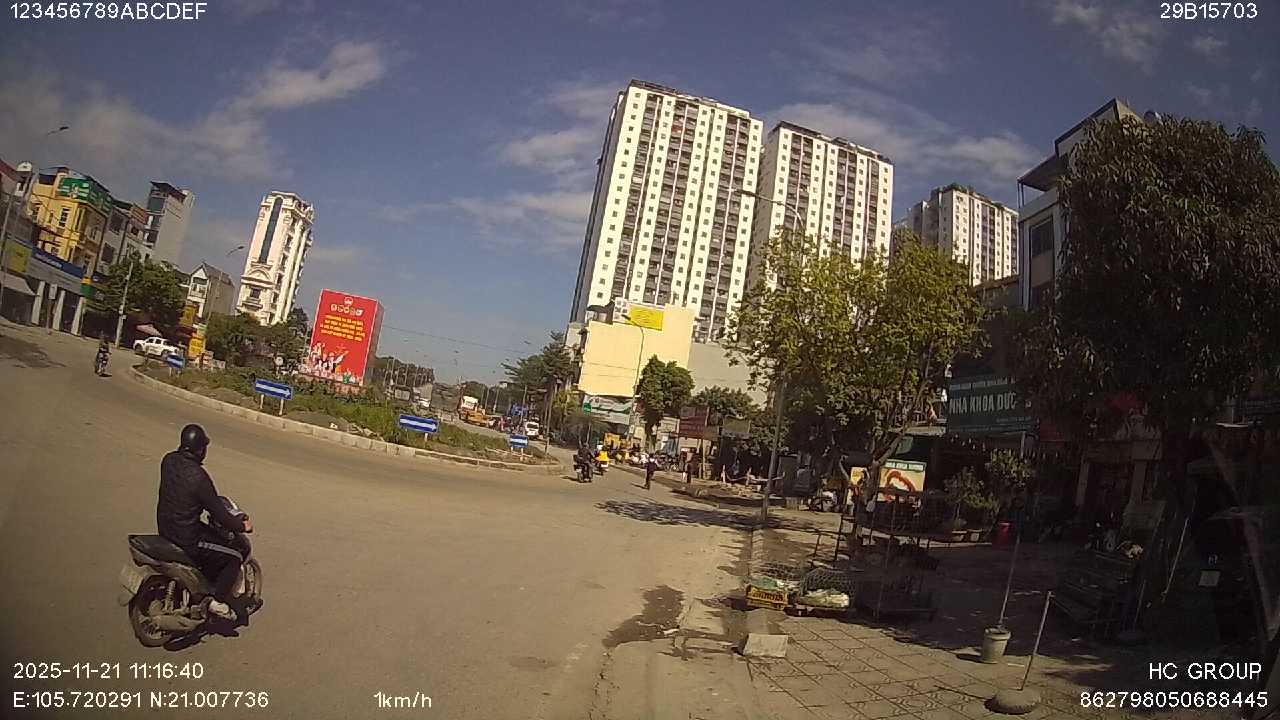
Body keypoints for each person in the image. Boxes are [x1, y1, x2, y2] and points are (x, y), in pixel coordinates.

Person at [157, 424, 252, 622]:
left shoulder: (168, 460)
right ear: (200, 450)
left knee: (211, 542)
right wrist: (242, 526)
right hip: (187, 537)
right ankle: (217, 601)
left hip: (165, 528)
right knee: (233, 556)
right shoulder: (198, 477)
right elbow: (220, 514)